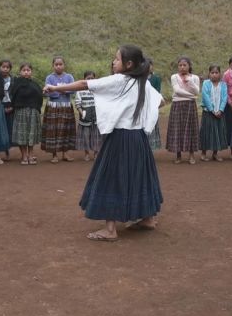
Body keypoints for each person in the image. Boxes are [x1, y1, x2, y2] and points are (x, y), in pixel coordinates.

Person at [43, 45, 163, 242]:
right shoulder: (143, 83)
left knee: (111, 177)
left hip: (120, 138)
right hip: (138, 138)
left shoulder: (119, 80)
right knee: (140, 175)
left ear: (128, 64)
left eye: (116, 59)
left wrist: (55, 87)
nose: (114, 62)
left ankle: (110, 229)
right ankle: (148, 218)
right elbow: (160, 102)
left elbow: (84, 84)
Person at [42, 56, 77, 163]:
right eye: (56, 64)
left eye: (60, 64)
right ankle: (54, 154)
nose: (58, 66)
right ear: (53, 66)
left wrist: (61, 90)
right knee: (53, 130)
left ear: (64, 65)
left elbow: (74, 90)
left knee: (66, 129)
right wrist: (62, 90)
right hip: (53, 107)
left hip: (66, 107)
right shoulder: (49, 78)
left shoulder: (69, 77)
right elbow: (48, 92)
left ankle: (65, 153)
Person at [166, 56, 200, 164]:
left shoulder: (194, 78)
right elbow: (177, 91)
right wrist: (193, 97)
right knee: (177, 129)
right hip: (177, 104)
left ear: (189, 66)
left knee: (191, 129)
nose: (182, 67)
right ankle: (178, 155)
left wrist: (189, 81)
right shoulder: (174, 77)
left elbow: (197, 91)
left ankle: (191, 156)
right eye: (180, 65)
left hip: (190, 106)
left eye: (184, 65)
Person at [10, 63, 43, 165]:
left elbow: (39, 97)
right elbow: (13, 96)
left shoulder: (35, 84)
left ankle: (30, 154)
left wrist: (36, 108)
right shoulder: (16, 83)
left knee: (31, 134)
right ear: (20, 72)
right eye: (24, 70)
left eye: (28, 70)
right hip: (21, 111)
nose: (26, 72)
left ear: (31, 72)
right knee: (22, 134)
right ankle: (24, 155)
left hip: (33, 112)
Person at [199, 64, 228, 162]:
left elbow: (224, 98)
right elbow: (205, 97)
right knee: (206, 132)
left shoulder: (223, 85)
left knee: (218, 133)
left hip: (220, 113)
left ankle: (215, 154)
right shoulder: (206, 83)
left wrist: (220, 110)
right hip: (208, 112)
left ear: (220, 74)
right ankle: (203, 153)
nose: (214, 75)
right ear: (209, 73)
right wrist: (212, 110)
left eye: (216, 73)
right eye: (212, 72)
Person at [75, 71, 102, 161]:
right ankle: (86, 154)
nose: (90, 80)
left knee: (96, 136)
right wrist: (82, 113)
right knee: (86, 137)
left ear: (95, 79)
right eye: (88, 78)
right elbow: (78, 104)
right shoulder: (80, 91)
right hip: (85, 119)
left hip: (96, 118)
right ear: (84, 79)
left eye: (92, 78)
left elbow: (101, 103)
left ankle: (96, 153)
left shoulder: (98, 90)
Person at [0, 59, 15, 160]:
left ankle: (7, 149)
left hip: (10, 104)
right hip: (0, 104)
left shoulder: (13, 79)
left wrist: (13, 106)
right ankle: (1, 149)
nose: (5, 69)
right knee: (1, 127)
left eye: (7, 67)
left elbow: (16, 93)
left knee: (9, 127)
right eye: (3, 67)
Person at [147, 58, 163, 150]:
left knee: (152, 127)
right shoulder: (138, 78)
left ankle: (151, 149)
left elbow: (157, 92)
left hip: (152, 106)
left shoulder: (156, 78)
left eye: (150, 65)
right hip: (141, 107)